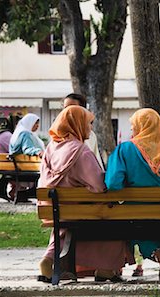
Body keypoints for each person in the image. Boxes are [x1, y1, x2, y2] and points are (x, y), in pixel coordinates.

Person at [38, 106, 132, 283]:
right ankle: (106, 268)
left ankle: (48, 259)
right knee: (117, 218)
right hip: (82, 212)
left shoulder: (51, 148)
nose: (90, 128)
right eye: (88, 124)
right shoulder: (81, 151)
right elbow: (98, 186)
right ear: (77, 124)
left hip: (56, 211)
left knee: (64, 227)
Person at [105, 108, 160, 282]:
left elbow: (113, 184)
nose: (132, 130)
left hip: (136, 210)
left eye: (133, 126)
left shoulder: (125, 149)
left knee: (133, 219)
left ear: (141, 126)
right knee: (157, 220)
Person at [62, 93, 104, 170]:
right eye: (65, 108)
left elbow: (96, 161)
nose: (68, 112)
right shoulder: (58, 134)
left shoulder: (90, 135)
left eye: (72, 108)